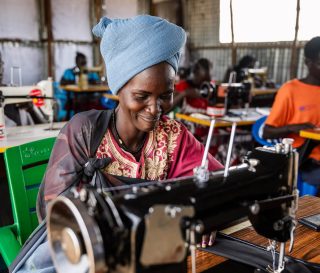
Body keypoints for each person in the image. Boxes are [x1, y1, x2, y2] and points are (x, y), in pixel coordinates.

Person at [263, 36, 320, 185]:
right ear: (308, 62)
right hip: (305, 158)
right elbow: (267, 132)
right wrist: (294, 128)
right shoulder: (290, 90)